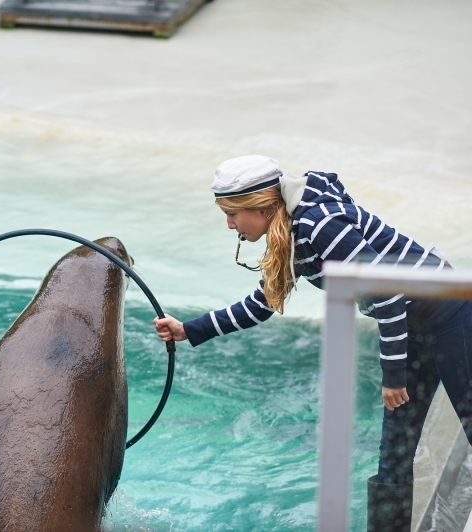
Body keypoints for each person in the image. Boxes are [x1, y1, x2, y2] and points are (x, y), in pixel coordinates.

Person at [153, 155, 472, 532]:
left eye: (233, 214)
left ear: (261, 206)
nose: (229, 224)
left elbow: (386, 295)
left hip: (450, 315)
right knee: (394, 454)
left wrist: (393, 376)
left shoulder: (319, 225)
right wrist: (190, 329)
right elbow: (263, 303)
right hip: (410, 327)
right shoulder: (288, 232)